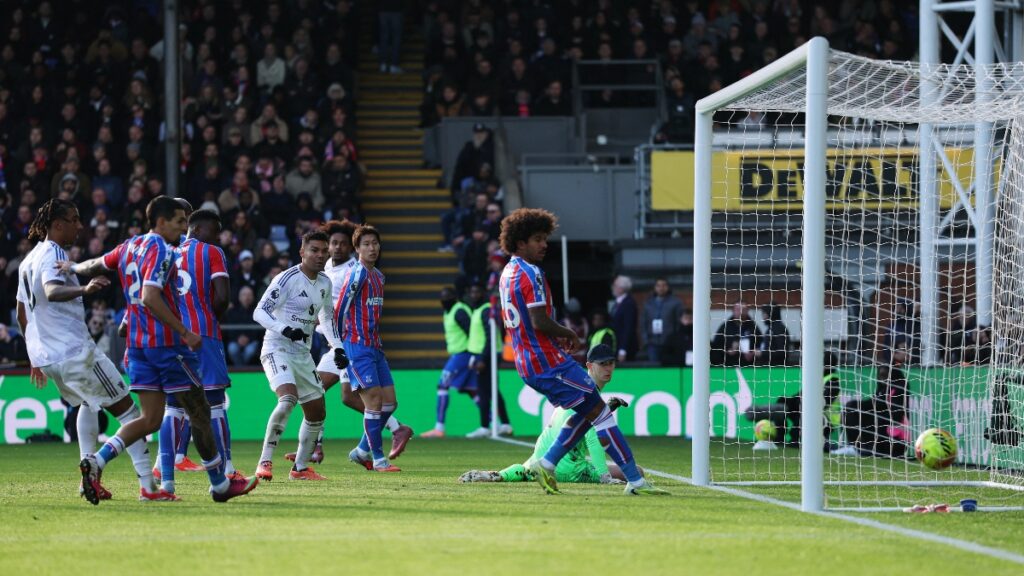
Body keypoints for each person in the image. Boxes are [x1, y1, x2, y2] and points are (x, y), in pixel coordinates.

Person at [68, 196, 258, 504]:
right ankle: (220, 484)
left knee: (151, 419)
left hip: (137, 348)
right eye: (180, 221)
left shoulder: (128, 246)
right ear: (160, 221)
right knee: (200, 411)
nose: (184, 228)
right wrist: (185, 332)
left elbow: (96, 264)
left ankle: (97, 461)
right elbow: (150, 296)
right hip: (168, 347)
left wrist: (72, 266)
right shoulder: (164, 252)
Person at [498, 207, 667, 496]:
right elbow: (538, 320)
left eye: (545, 238)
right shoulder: (530, 273)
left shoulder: (507, 272)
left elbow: (528, 322)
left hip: (529, 362)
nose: (544, 244)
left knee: (589, 411)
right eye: (538, 239)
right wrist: (568, 333)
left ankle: (547, 464)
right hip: (547, 362)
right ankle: (636, 482)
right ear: (520, 242)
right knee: (602, 414)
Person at [16, 199, 155, 501]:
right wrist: (85, 288)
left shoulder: (28, 259)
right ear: (57, 224)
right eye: (74, 219)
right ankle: (148, 486)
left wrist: (34, 355)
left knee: (88, 405)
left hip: (50, 357)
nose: (79, 226)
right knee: (130, 412)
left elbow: (21, 313)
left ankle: (88, 478)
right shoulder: (54, 252)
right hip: (75, 352)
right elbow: (52, 291)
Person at [284, 220, 413, 463]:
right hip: (336, 341)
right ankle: (391, 431)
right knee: (345, 397)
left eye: (342, 243)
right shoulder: (326, 268)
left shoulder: (355, 271)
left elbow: (343, 308)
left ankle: (319, 448)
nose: (337, 247)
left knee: (316, 390)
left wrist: (337, 337)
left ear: (351, 248)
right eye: (333, 243)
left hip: (345, 343)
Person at [461, 344, 644, 484]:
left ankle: (500, 475)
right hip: (570, 469)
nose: (608, 368)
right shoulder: (590, 396)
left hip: (541, 457)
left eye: (611, 363)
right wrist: (604, 476)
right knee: (637, 471)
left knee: (527, 468)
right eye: (603, 364)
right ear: (589, 365)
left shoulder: (575, 388)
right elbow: (593, 438)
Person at [152, 209, 241, 496]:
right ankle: (227, 471)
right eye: (215, 231)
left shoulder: (166, 253)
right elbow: (223, 296)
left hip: (170, 336)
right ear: (199, 229)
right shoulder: (211, 252)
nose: (218, 238)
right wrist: (210, 319)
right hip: (203, 334)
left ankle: (166, 481)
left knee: (173, 407)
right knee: (215, 404)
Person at [253, 230, 339, 481]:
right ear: (302, 252)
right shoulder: (287, 278)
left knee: (317, 412)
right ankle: (264, 462)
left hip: (302, 355)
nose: (320, 255)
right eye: (314, 250)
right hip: (276, 348)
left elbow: (327, 319)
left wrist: (338, 347)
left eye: (324, 251)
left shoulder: (325, 283)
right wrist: (284, 329)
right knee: (287, 399)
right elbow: (259, 312)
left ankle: (300, 469)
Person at [336, 224, 403, 472]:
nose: (372, 248)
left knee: (390, 403)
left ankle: (362, 450)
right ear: (357, 249)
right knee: (373, 402)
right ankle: (378, 460)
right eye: (366, 244)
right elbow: (339, 310)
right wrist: (338, 345)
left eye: (375, 243)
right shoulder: (357, 274)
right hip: (357, 346)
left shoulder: (379, 276)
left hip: (375, 347)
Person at [743, 352, 842, 451]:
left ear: (826, 365)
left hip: (825, 420)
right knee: (784, 404)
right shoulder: (816, 379)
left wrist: (797, 403)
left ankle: (798, 440)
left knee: (805, 411)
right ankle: (778, 437)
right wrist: (787, 401)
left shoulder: (833, 381)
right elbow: (799, 396)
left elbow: (822, 403)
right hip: (807, 412)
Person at [423, 287, 477, 438]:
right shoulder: (450, 311)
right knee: (471, 390)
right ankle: (494, 423)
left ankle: (439, 428)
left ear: (455, 298)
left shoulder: (459, 311)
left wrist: (475, 354)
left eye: (447, 297)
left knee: (442, 386)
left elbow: (472, 332)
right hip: (460, 354)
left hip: (463, 354)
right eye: (443, 298)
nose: (444, 300)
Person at [464, 283, 513, 438]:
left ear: (483, 293)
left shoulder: (486, 310)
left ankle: (486, 426)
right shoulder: (480, 310)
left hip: (486, 355)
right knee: (491, 391)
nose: (474, 295)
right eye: (472, 292)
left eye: (477, 292)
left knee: (485, 392)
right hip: (485, 354)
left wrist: (483, 359)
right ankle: (504, 424)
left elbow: (490, 336)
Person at [641, 278, 684, 363]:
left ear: (668, 287)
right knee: (654, 366)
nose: (661, 288)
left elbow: (679, 323)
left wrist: (675, 340)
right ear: (654, 287)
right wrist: (646, 341)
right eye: (658, 286)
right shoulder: (648, 303)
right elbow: (643, 323)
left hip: (669, 343)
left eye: (664, 285)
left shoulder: (676, 303)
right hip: (652, 342)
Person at [711, 300, 762, 366]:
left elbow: (761, 344)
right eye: (738, 309)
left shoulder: (753, 326)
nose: (741, 312)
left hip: (750, 364)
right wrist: (727, 351)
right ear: (733, 311)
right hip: (729, 364)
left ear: (747, 311)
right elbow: (716, 346)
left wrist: (753, 353)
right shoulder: (725, 327)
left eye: (744, 309)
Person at [610, 275, 638, 362]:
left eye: (615, 285)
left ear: (621, 288)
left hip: (625, 347)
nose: (613, 287)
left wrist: (623, 350)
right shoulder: (617, 302)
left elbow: (628, 327)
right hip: (616, 344)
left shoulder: (628, 303)